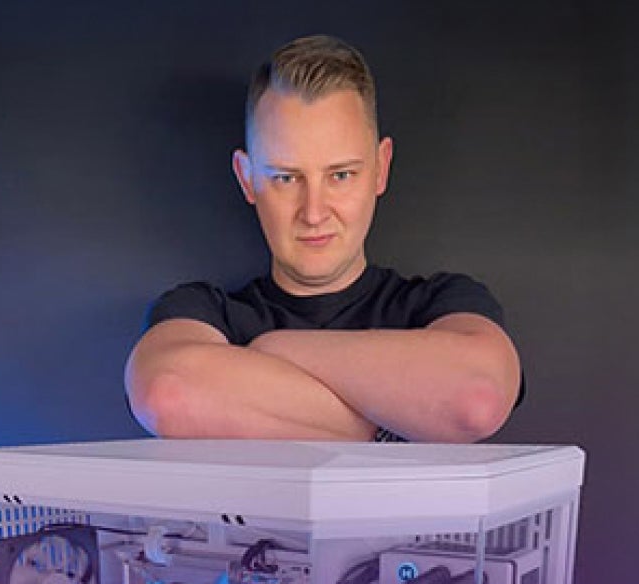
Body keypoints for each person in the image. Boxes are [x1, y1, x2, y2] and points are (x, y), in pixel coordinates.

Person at [124, 35, 522, 443]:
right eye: (286, 178)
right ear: (247, 179)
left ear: (381, 169)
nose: (313, 212)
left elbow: (477, 398)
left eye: (341, 175)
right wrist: (394, 428)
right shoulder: (206, 313)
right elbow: (167, 395)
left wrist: (274, 349)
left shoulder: (438, 304)